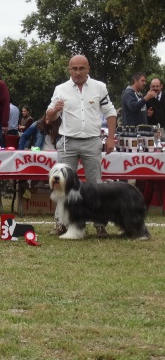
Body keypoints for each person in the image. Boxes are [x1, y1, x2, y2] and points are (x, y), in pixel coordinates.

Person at [46, 54, 117, 237]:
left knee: (96, 184)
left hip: (92, 141)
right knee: (62, 185)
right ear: (69, 69)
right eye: (74, 69)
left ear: (88, 69)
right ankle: (61, 223)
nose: (78, 72)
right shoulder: (60, 89)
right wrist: (55, 110)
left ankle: (100, 224)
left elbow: (110, 112)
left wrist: (110, 138)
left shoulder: (99, 87)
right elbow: (49, 117)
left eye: (81, 68)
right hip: (67, 141)